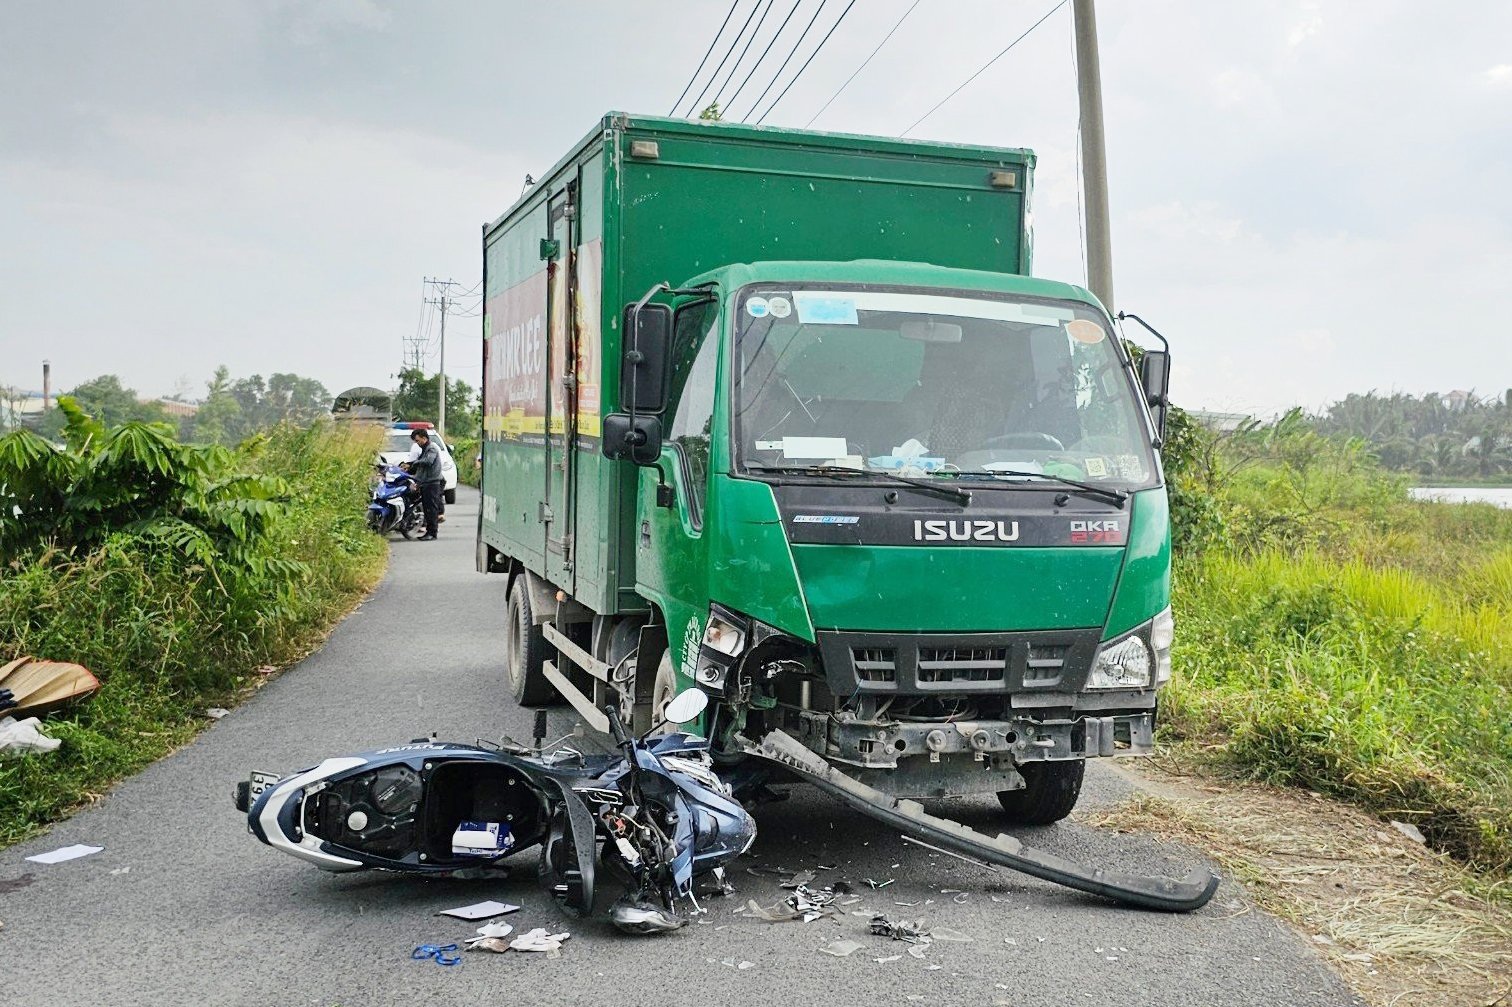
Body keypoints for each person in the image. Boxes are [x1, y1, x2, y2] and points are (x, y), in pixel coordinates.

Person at [402, 428, 445, 540]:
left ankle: (432, 533)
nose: (417, 443)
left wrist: (414, 464)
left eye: (418, 440)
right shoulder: (425, 449)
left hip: (432, 483)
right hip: (426, 483)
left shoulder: (431, 448)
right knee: (427, 508)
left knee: (431, 509)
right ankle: (429, 532)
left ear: (424, 438)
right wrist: (409, 465)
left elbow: (428, 461)